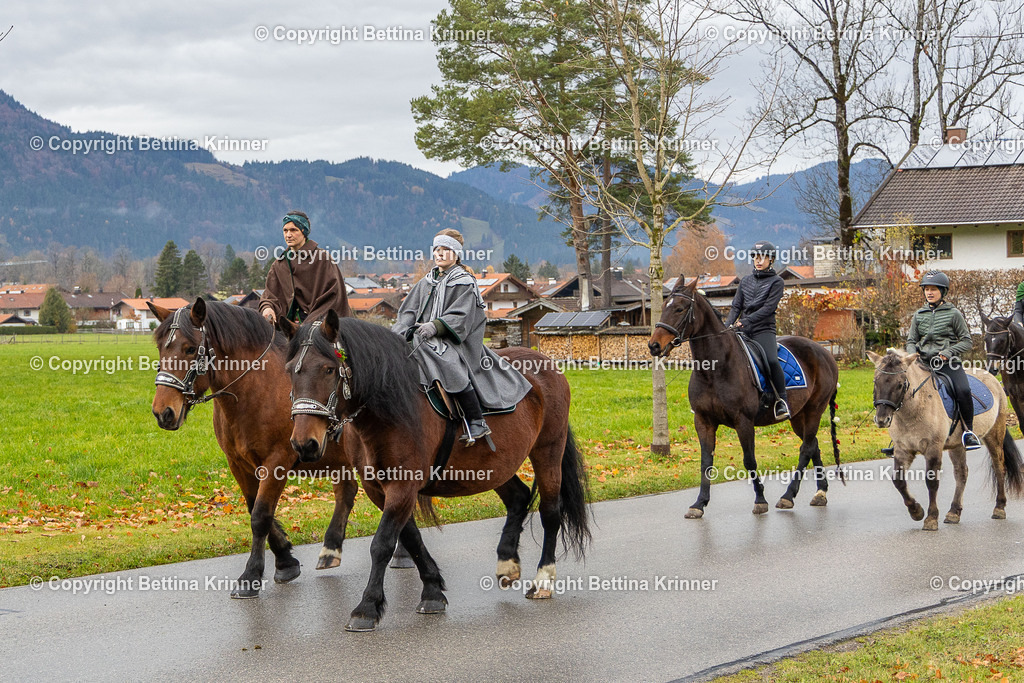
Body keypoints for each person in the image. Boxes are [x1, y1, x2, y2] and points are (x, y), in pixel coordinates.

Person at [393, 229, 532, 443]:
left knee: (448, 362)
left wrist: (436, 326)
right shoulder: (426, 282)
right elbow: (409, 311)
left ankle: (476, 421)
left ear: (456, 254)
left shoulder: (464, 282)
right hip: (420, 337)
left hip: (453, 340)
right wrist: (398, 333)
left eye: (445, 249)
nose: (440, 253)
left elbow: (462, 316)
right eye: (437, 249)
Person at [906, 270, 981, 450]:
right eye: (926, 289)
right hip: (922, 364)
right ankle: (900, 438)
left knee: (963, 390)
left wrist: (948, 352)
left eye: (934, 289)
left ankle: (968, 432)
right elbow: (911, 341)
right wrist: (912, 356)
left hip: (948, 364)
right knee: (902, 391)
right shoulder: (919, 315)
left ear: (943, 292)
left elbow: (967, 341)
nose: (929, 293)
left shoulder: (953, 313)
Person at [725, 240, 789, 420]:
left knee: (771, 360)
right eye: (756, 257)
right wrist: (726, 326)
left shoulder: (777, 282)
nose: (758, 261)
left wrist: (745, 321)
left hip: (763, 329)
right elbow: (736, 307)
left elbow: (768, 309)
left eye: (763, 258)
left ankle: (781, 400)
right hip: (742, 330)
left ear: (771, 260)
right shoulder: (745, 281)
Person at [260, 211, 352, 324]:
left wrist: (309, 324)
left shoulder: (322, 259)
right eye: (285, 230)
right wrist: (267, 307)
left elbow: (334, 296)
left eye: (293, 230)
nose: (288, 235)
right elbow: (269, 295)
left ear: (304, 231)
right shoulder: (279, 264)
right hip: (288, 328)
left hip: (320, 327)